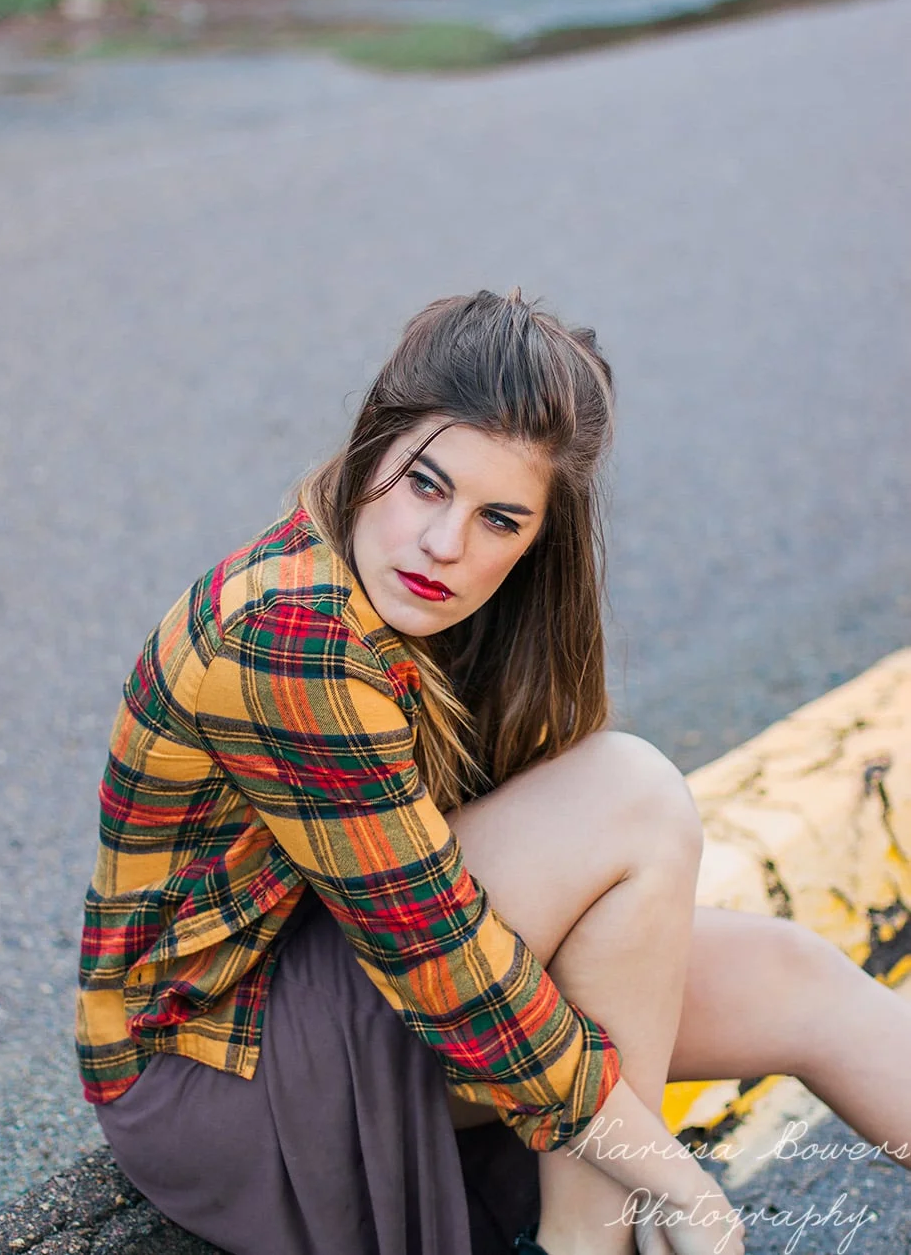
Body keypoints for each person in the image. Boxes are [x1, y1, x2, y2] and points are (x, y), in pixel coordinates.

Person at [76, 289, 911, 1255]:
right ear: (373, 449)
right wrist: (681, 1188)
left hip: (348, 998)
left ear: (536, 536)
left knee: (795, 977)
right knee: (630, 797)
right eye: (426, 486)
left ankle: (585, 1238)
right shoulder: (289, 636)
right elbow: (451, 972)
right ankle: (585, 1243)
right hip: (215, 1077)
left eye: (500, 520)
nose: (446, 546)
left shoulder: (428, 601)